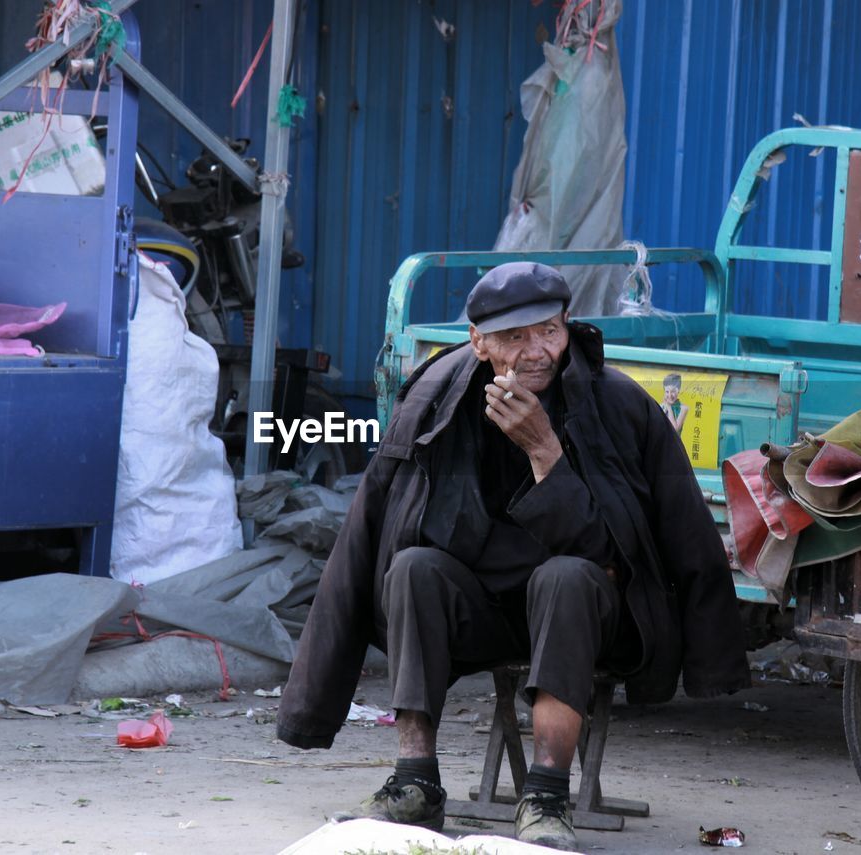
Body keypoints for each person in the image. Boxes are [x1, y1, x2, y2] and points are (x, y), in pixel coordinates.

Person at [276, 262, 749, 851]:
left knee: (567, 577)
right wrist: (311, 703)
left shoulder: (620, 406)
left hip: (589, 616)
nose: (537, 352)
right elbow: (365, 531)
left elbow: (641, 547)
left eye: (549, 331)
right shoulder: (435, 398)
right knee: (412, 568)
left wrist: (546, 454)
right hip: (479, 611)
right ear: (478, 342)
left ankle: (547, 794)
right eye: (514, 338)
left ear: (568, 325)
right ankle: (415, 783)